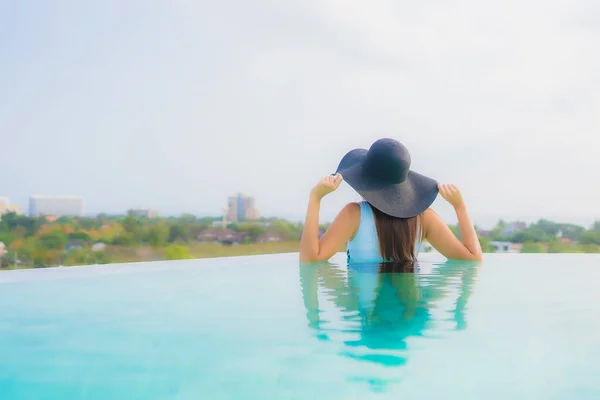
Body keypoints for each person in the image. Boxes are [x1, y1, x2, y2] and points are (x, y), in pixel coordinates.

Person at [300, 138, 482, 263]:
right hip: (412, 311)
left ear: (363, 178)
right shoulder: (425, 218)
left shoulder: (353, 215)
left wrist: (315, 198)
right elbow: (473, 258)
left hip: (368, 313)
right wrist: (459, 207)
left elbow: (310, 258)